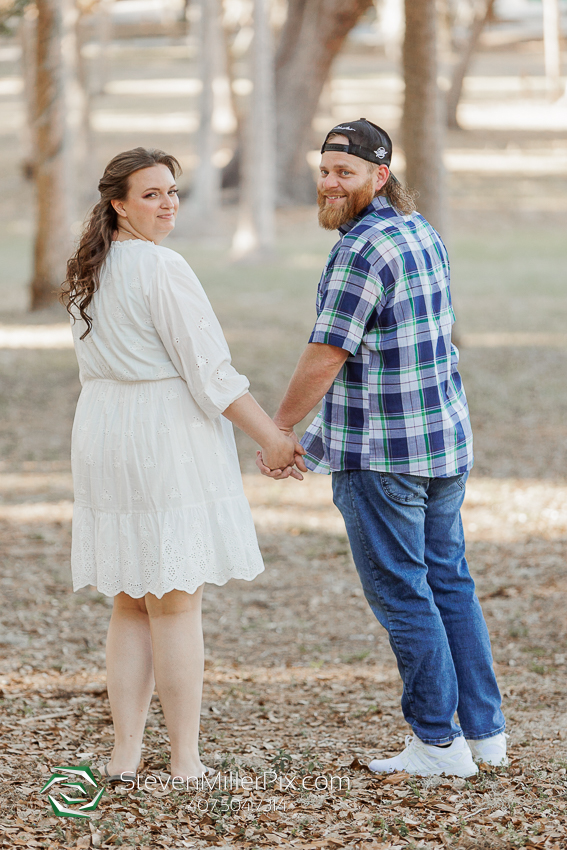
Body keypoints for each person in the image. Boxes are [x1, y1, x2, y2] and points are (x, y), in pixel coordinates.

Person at [257, 119, 507, 777]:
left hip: (385, 460)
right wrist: (312, 435)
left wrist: (280, 429)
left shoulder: (359, 250)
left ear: (380, 175)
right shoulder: (420, 232)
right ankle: (485, 735)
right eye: (324, 170)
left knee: (405, 595)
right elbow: (390, 350)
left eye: (345, 172)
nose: (330, 183)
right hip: (441, 446)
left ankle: (437, 745)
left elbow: (327, 353)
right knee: (448, 584)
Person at [62, 147, 299, 783]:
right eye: (152, 194)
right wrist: (273, 438)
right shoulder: (161, 266)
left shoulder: (91, 267)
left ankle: (125, 755)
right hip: (161, 436)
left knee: (131, 601)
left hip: (105, 431)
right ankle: (185, 760)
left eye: (172, 191)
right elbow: (210, 373)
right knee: (174, 604)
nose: (168, 204)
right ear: (119, 205)